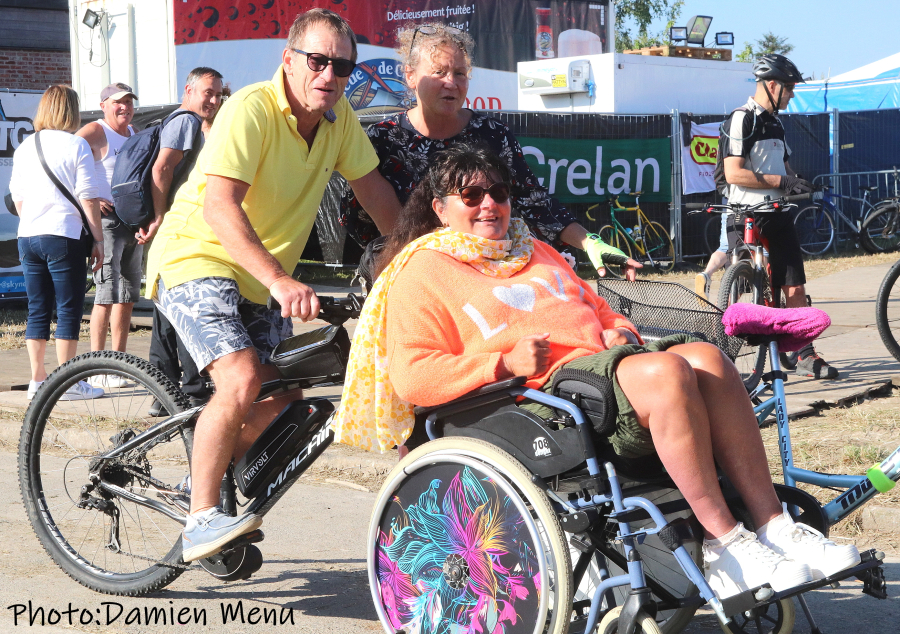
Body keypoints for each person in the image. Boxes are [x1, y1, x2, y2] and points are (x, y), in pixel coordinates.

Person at [334, 144, 860, 601]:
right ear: (441, 208)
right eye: (471, 196)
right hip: (537, 401)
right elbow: (413, 376)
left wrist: (618, 330)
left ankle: (773, 526)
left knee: (709, 360)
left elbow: (597, 306)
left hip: (600, 370)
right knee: (669, 374)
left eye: (498, 191)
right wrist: (501, 361)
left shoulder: (533, 248)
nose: (489, 205)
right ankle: (725, 542)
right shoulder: (423, 271)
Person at [145, 8, 403, 563]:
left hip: (258, 279)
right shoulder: (251, 109)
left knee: (282, 399)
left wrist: (418, 259)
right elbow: (218, 206)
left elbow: (377, 195)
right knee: (239, 379)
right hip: (197, 256)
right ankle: (200, 519)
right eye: (317, 61)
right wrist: (281, 279)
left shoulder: (338, 122)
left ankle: (207, 476)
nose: (329, 76)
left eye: (342, 67)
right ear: (288, 61)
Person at [340, 22, 639, 280]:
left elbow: (536, 201)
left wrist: (588, 242)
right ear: (410, 76)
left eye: (460, 73)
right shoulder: (382, 139)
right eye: (439, 71)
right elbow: (361, 218)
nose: (451, 83)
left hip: (484, 276)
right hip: (411, 275)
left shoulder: (492, 136)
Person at [715, 54, 837, 379]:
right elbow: (733, 174)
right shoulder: (742, 119)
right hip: (747, 217)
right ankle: (725, 360)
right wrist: (783, 182)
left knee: (794, 289)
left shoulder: (777, 123)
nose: (792, 95)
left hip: (778, 213)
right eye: (789, 88)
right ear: (772, 85)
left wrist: (797, 181)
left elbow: (784, 169)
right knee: (739, 287)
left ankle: (805, 354)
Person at [9, 85, 105, 401]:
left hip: (28, 235)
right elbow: (88, 197)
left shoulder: (25, 147)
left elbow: (18, 199)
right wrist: (98, 239)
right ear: (71, 110)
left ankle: (38, 381)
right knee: (68, 308)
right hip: (63, 234)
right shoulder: (76, 145)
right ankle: (67, 383)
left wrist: (35, 220)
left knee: (38, 308)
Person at [142, 67, 225, 417]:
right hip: (177, 231)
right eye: (207, 91)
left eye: (218, 93)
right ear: (188, 90)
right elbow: (161, 169)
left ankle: (161, 392)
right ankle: (192, 392)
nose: (214, 99)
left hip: (174, 231)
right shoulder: (184, 122)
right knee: (187, 312)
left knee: (166, 316)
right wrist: (160, 216)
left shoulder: (189, 123)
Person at [76, 83, 140, 383]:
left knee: (127, 296)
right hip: (107, 224)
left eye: (128, 101)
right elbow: (66, 159)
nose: (124, 107)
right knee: (105, 295)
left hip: (133, 223)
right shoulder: (95, 130)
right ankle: (95, 368)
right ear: (104, 105)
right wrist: (89, 198)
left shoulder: (134, 133)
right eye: (118, 102)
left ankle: (118, 364)